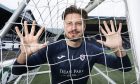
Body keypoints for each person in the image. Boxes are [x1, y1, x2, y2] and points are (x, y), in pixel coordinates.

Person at [12, 5, 132, 84]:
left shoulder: (93, 50)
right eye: (69, 23)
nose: (73, 28)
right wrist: (23, 54)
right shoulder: (51, 49)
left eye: (79, 23)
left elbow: (125, 67)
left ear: (84, 27)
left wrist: (118, 48)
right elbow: (17, 71)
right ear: (64, 26)